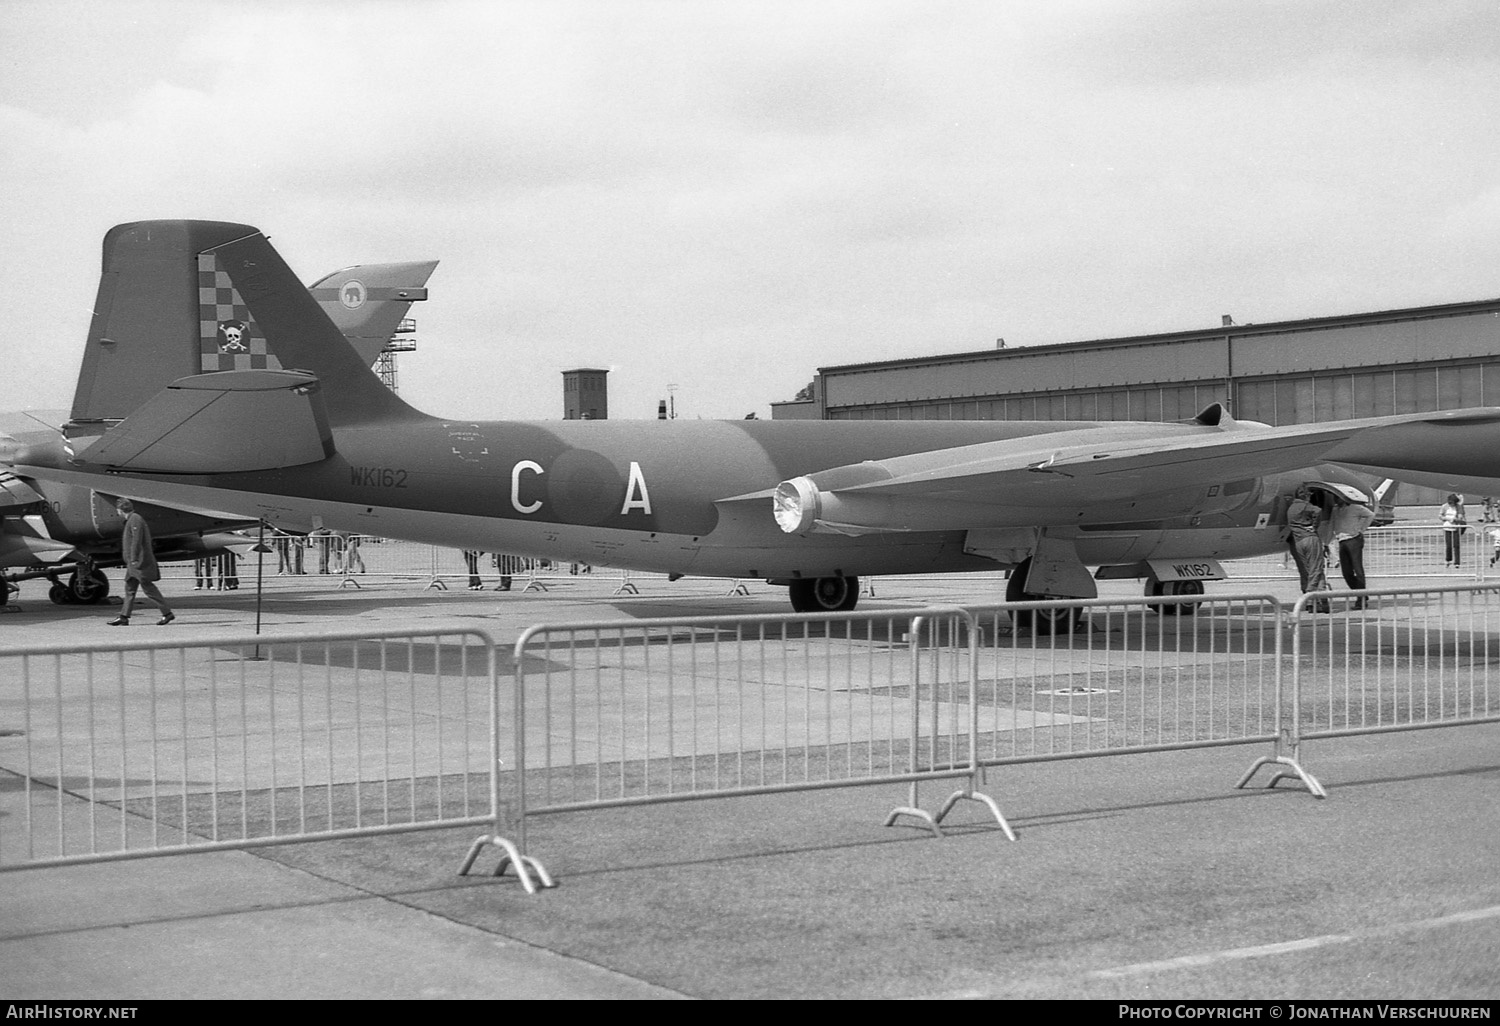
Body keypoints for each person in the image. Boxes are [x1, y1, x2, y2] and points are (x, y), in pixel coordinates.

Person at [106, 497, 175, 626]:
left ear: (120, 510)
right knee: (130, 588)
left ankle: (167, 613)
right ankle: (124, 616)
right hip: (134, 563)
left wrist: (134, 559)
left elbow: (136, 541)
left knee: (148, 589)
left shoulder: (135, 519)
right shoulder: (133, 519)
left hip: (138, 563)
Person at [1285, 485, 1331, 612]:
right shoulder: (1305, 506)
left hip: (1298, 541)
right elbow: (1318, 511)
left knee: (1308, 571)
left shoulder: (1291, 508)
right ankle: (1311, 599)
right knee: (1316, 570)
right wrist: (1314, 526)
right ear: (1305, 495)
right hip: (1310, 539)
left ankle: (1321, 601)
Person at [1332, 499, 1375, 609]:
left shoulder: (1355, 508)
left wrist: (1361, 529)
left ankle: (1361, 599)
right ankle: (1361, 593)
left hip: (1353, 539)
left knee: (1357, 569)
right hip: (1342, 540)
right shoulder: (1335, 510)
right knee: (1346, 572)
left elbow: (1370, 515)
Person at [1439, 493, 1466, 567]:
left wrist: (1455, 520)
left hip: (1456, 528)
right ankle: (1448, 559)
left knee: (1456, 545)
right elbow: (1440, 516)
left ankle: (1457, 562)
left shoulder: (1458, 507)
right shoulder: (1444, 506)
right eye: (1450, 502)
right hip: (1447, 527)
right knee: (1449, 545)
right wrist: (1446, 518)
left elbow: (1460, 516)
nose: (1451, 504)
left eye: (1452, 503)